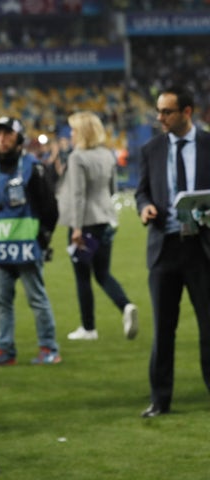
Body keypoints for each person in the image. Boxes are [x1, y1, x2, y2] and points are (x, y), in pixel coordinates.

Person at [135, 85, 210, 418]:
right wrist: (145, 207)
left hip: (202, 249)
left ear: (187, 112)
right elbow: (142, 192)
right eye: (158, 111)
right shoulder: (151, 148)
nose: (160, 117)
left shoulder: (208, 145)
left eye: (167, 112)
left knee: (208, 327)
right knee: (163, 330)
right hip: (163, 250)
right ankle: (160, 399)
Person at [0, 117, 61, 366]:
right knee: (1, 300)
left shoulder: (33, 167)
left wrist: (43, 238)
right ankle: (5, 350)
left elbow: (50, 208)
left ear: (19, 139)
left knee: (36, 298)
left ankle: (49, 348)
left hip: (26, 246)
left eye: (7, 135)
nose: (1, 139)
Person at [59, 111, 138, 341]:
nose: (71, 134)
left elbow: (78, 195)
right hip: (106, 219)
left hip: (85, 224)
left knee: (82, 276)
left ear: (82, 132)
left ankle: (88, 327)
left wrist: (76, 228)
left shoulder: (77, 157)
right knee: (103, 273)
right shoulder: (107, 154)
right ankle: (125, 306)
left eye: (74, 130)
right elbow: (113, 188)